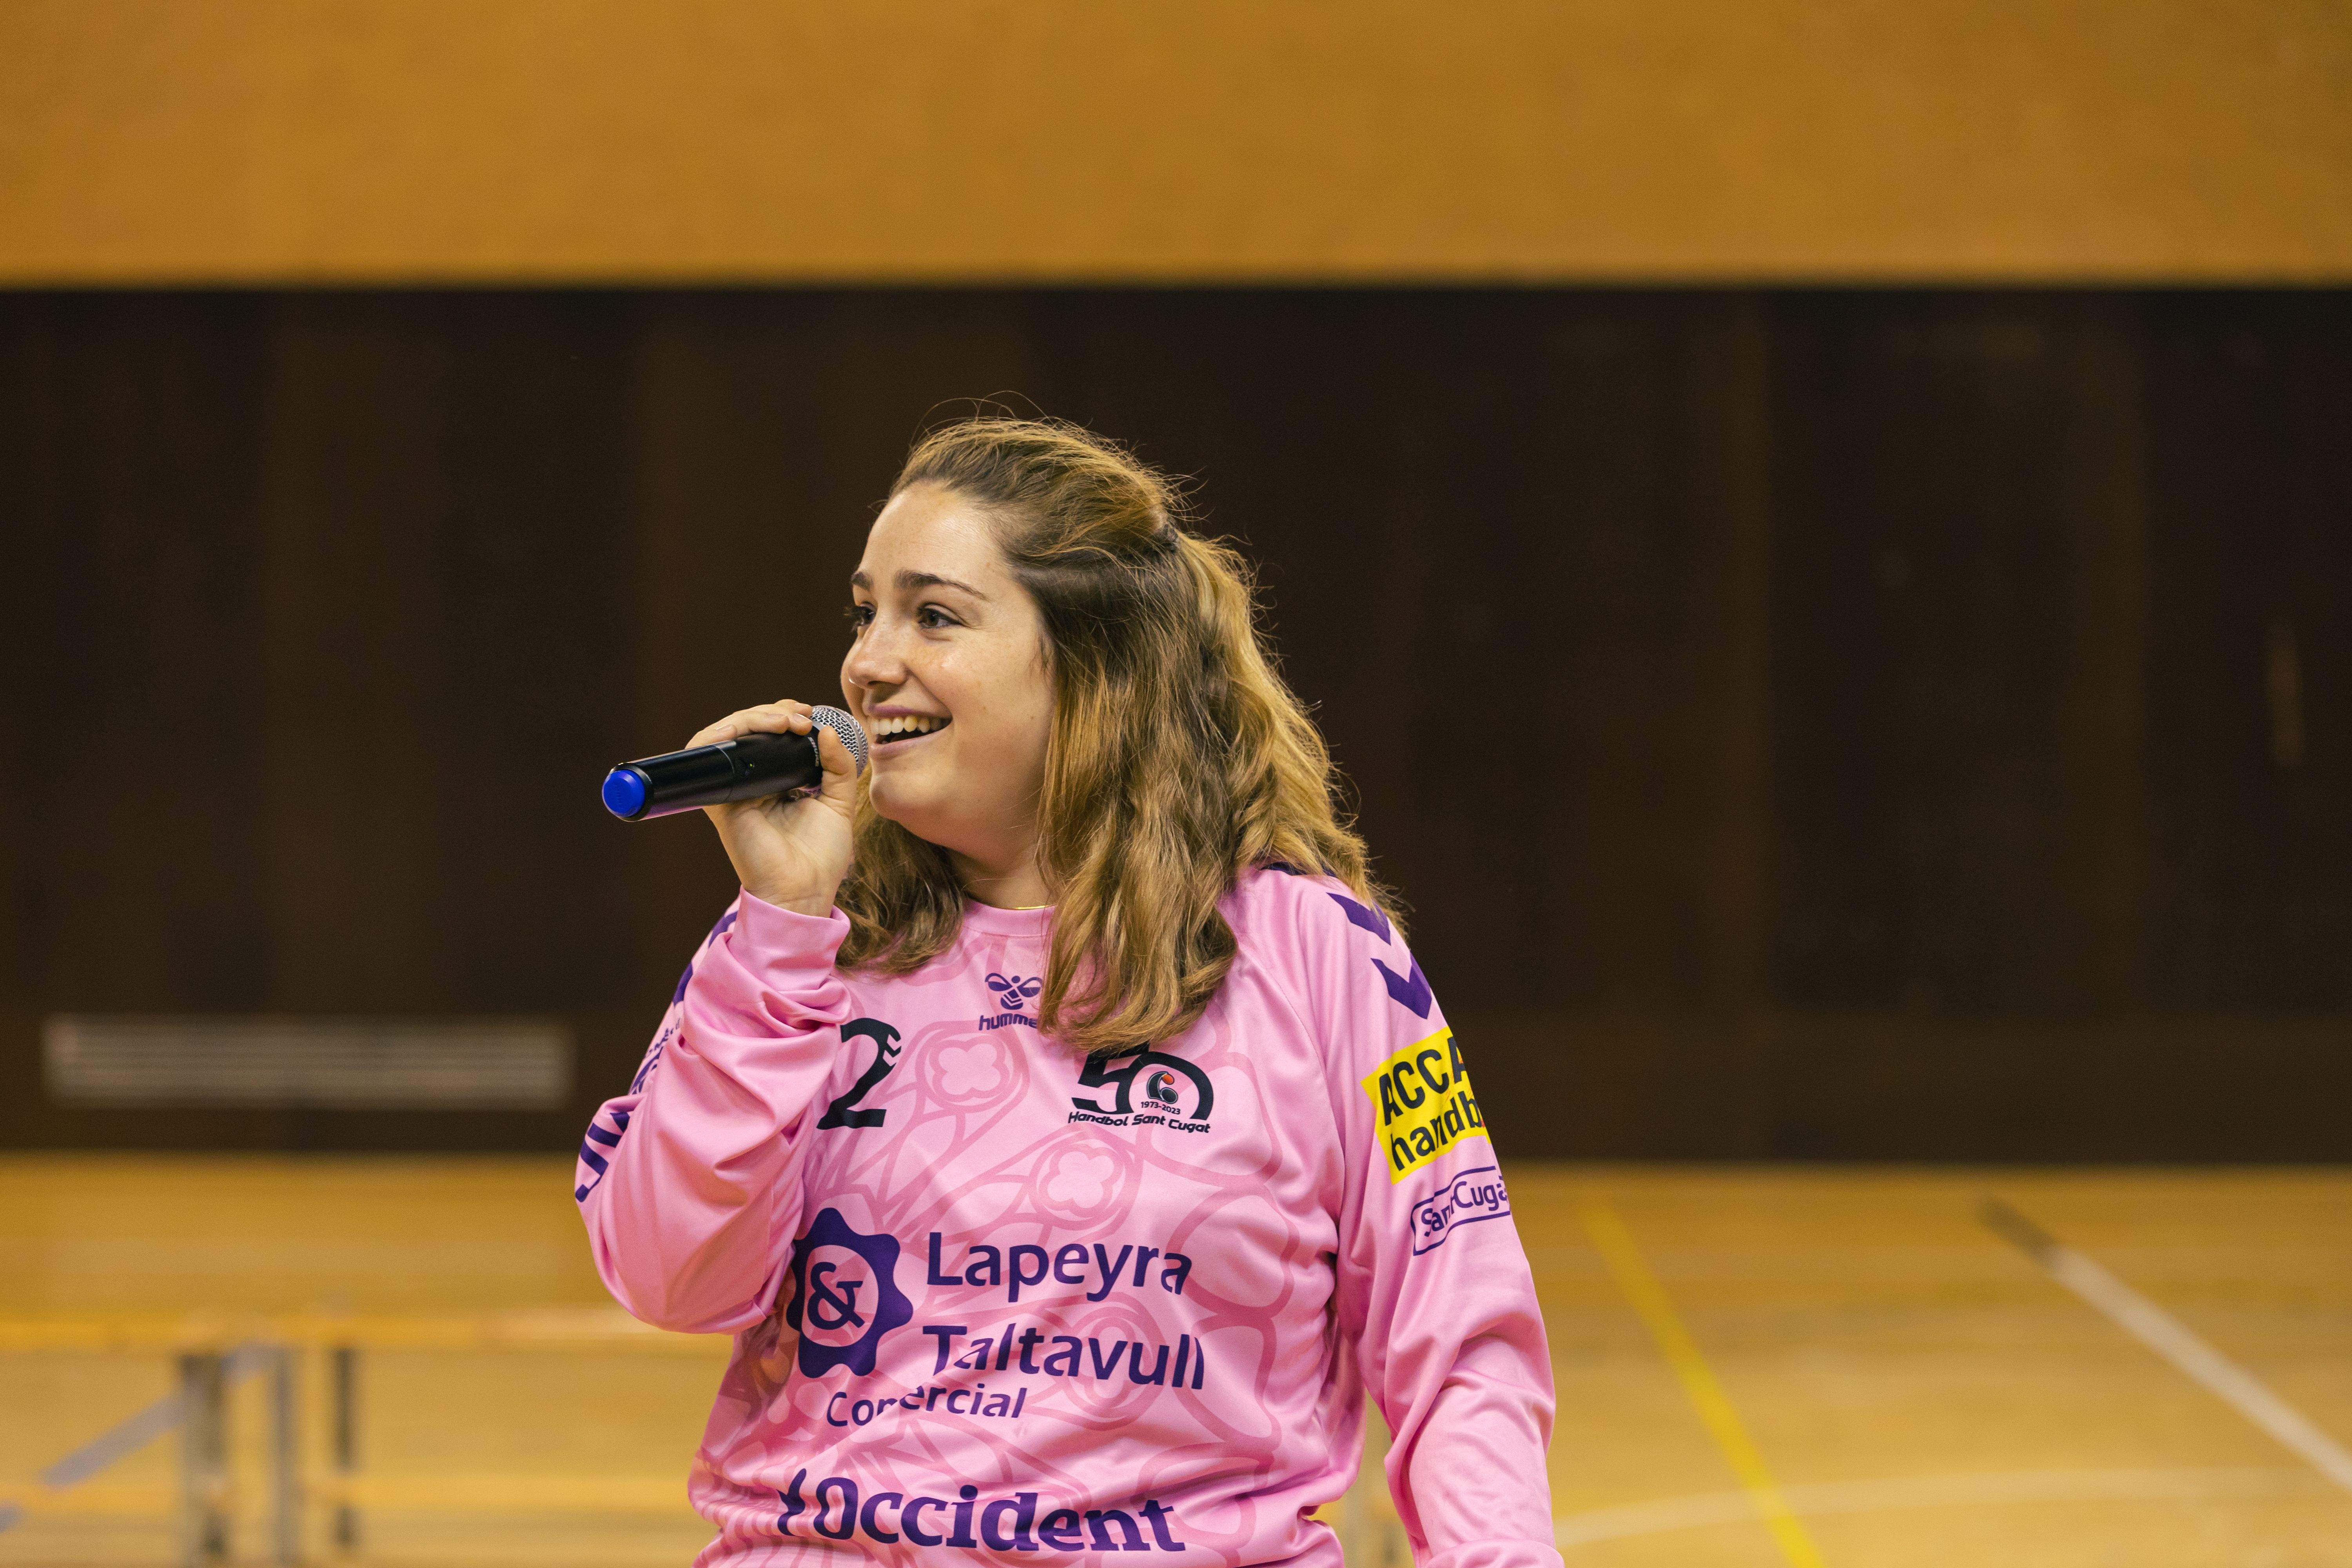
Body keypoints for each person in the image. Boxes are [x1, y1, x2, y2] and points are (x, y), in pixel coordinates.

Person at [575, 417, 1559, 1568]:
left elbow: (1460, 1344)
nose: (867, 662)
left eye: (933, 615)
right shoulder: (799, 948)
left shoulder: (1322, 958)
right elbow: (666, 1277)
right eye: (865, 613)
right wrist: (782, 932)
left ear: (1096, 666)